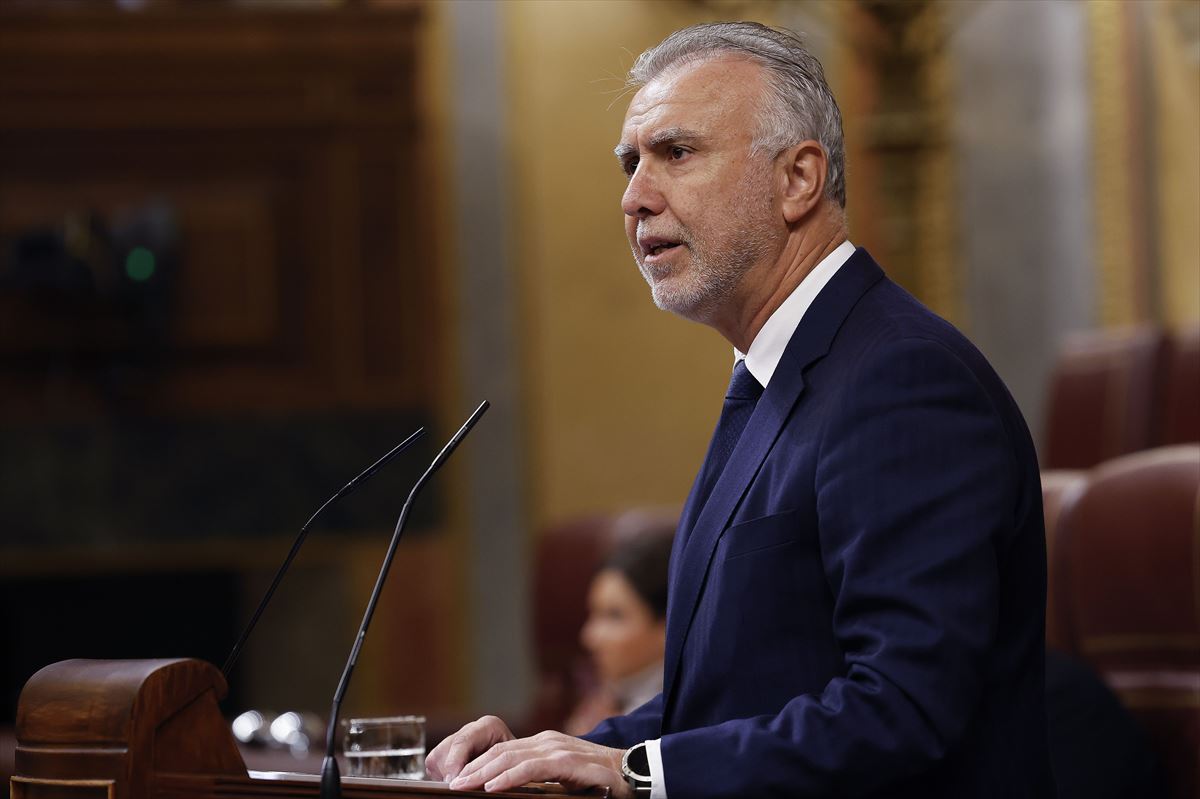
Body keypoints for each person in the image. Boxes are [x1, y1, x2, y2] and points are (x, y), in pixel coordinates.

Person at [428, 21, 1054, 798]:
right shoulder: (777, 377)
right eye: (630, 163)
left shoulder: (903, 381)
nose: (633, 198)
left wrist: (632, 771)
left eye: (676, 153)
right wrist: (557, 755)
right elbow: (726, 702)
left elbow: (906, 707)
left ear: (797, 179)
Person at [564, 528, 673, 736]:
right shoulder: (602, 702)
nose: (590, 636)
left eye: (614, 616)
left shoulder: (682, 721)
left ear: (667, 626)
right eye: (593, 614)